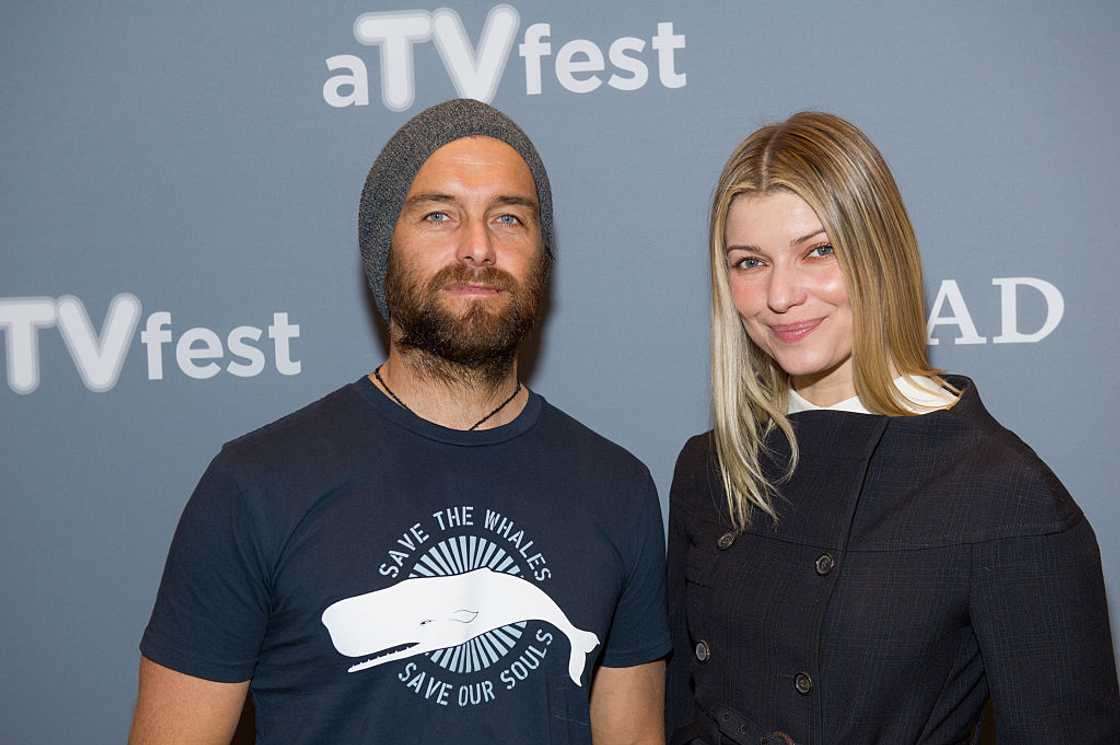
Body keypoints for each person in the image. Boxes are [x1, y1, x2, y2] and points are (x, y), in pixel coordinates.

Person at [129, 99, 669, 745]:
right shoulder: (255, 484)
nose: (478, 247)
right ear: (383, 245)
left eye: (509, 216)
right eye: (439, 214)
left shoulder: (618, 486)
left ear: (541, 252)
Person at [665, 112, 1120, 745]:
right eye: (749, 262)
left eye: (818, 251)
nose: (780, 294)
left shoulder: (1003, 496)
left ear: (879, 254)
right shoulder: (710, 469)